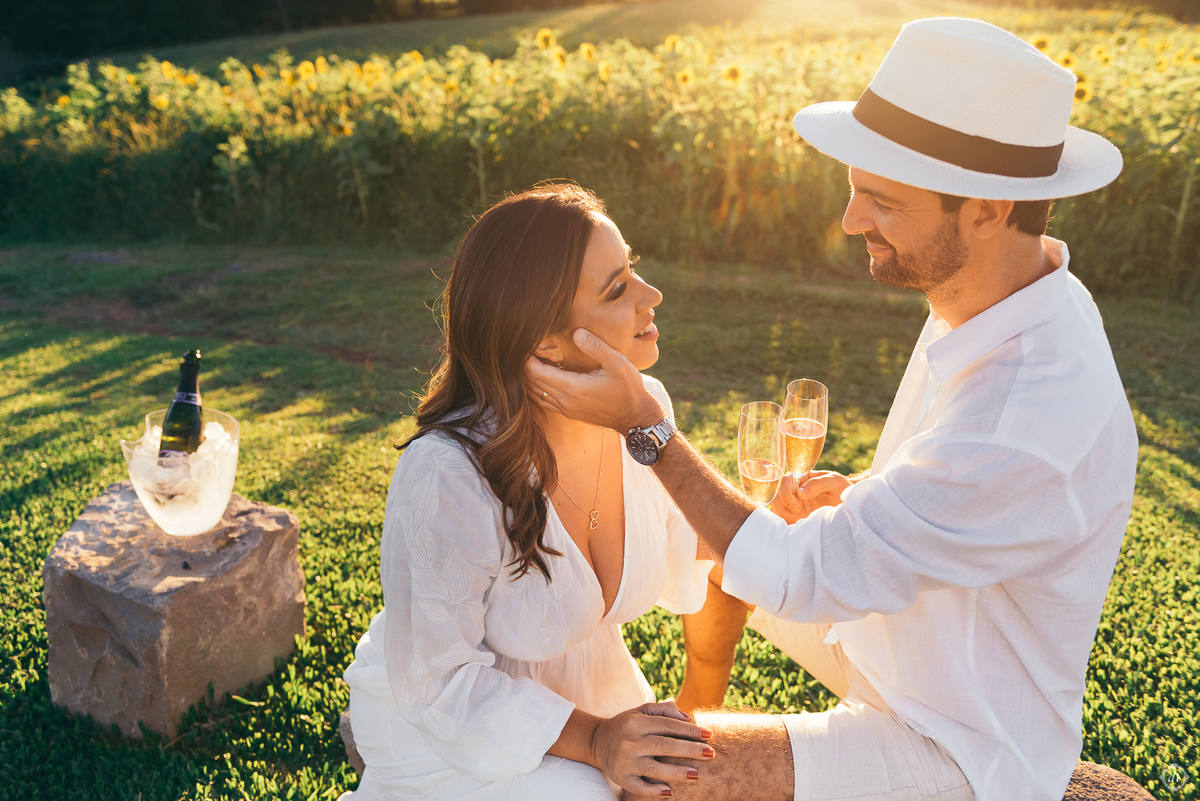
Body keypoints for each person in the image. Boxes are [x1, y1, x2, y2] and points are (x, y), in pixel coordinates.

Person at [526, 17, 1138, 801]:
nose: (851, 221)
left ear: (986, 207)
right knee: (721, 564)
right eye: (855, 190)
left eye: (882, 201)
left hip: (959, 743)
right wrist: (880, 506)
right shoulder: (997, 293)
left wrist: (648, 427)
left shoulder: (1027, 407)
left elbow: (805, 575)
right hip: (912, 648)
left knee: (662, 768)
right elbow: (968, 501)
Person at [340, 183, 720, 801]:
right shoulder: (447, 473)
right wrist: (599, 740)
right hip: (448, 724)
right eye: (617, 290)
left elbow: (679, 543)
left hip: (587, 694)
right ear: (545, 343)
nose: (653, 297)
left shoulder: (641, 414)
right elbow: (437, 684)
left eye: (634, 272)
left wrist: (761, 525)